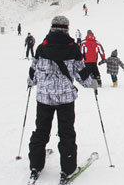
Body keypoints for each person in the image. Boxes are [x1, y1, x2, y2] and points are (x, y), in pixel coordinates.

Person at [27, 15, 93, 184]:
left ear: (52, 27)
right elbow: (81, 74)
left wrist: (30, 83)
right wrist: (91, 84)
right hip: (65, 99)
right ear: (67, 28)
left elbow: (33, 72)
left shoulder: (42, 47)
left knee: (41, 130)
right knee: (66, 132)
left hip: (44, 98)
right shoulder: (73, 48)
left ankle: (36, 163)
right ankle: (68, 169)